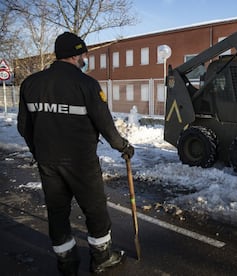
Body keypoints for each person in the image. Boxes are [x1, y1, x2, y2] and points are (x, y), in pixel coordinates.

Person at [17, 32, 135, 275]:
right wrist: (123, 147)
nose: (85, 59)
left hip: (48, 162)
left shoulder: (31, 84)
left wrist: (38, 151)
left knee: (57, 211)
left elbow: (23, 126)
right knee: (94, 209)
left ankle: (66, 261)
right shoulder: (86, 84)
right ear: (76, 55)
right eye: (84, 54)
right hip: (81, 161)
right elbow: (105, 125)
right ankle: (102, 258)